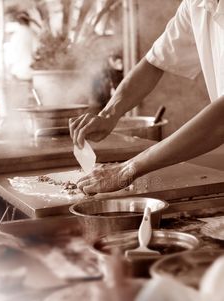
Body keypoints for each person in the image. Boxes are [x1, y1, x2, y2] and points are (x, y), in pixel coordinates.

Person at [69, 0, 224, 195]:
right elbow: (155, 62)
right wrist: (109, 114)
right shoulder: (197, 4)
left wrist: (128, 168)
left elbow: (221, 121)